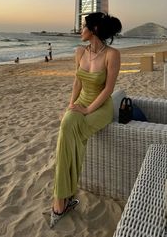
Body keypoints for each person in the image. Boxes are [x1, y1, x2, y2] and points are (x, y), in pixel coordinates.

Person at [50, 12, 122, 228]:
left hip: (100, 106)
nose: (80, 30)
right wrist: (71, 106)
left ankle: (60, 201)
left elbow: (108, 89)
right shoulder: (79, 52)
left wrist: (87, 109)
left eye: (84, 27)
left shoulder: (112, 54)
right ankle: (64, 196)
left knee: (72, 131)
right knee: (66, 126)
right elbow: (77, 83)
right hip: (81, 102)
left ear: (95, 30)